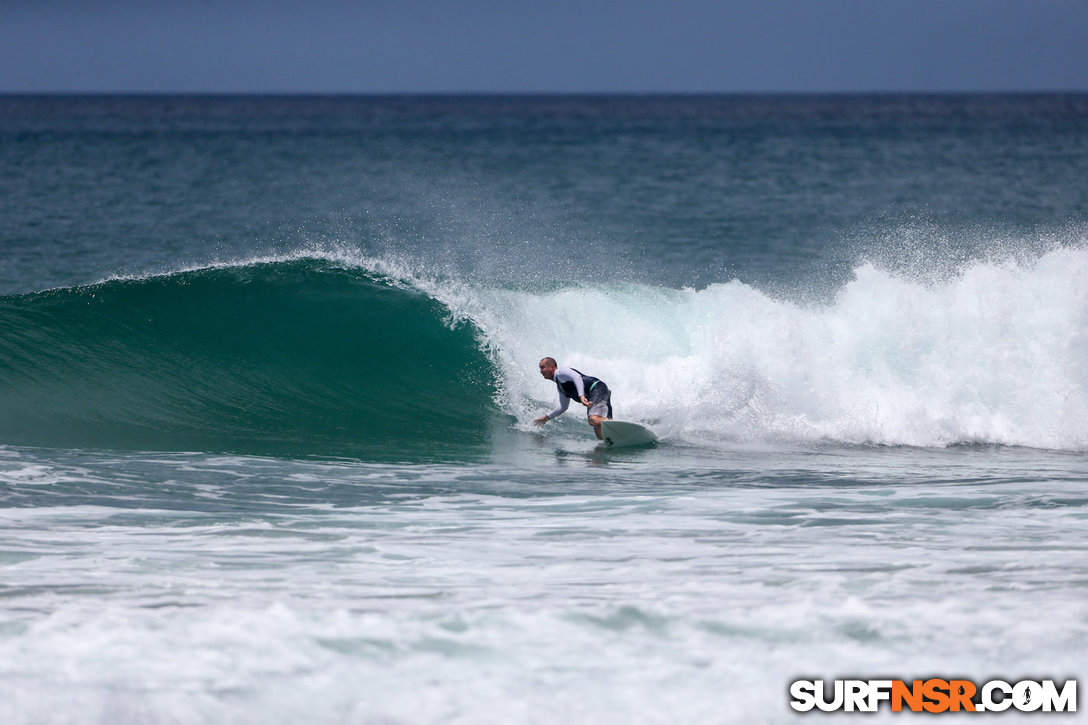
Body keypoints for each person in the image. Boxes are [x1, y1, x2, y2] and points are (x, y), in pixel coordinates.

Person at [532, 357, 613, 440]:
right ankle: (614, 439)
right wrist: (546, 418)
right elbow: (563, 407)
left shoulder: (561, 372)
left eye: (542, 367)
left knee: (593, 419)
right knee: (600, 433)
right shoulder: (561, 387)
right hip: (597, 394)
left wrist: (581, 396)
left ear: (552, 367)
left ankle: (613, 422)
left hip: (597, 388)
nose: (540, 371)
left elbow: (577, 377)